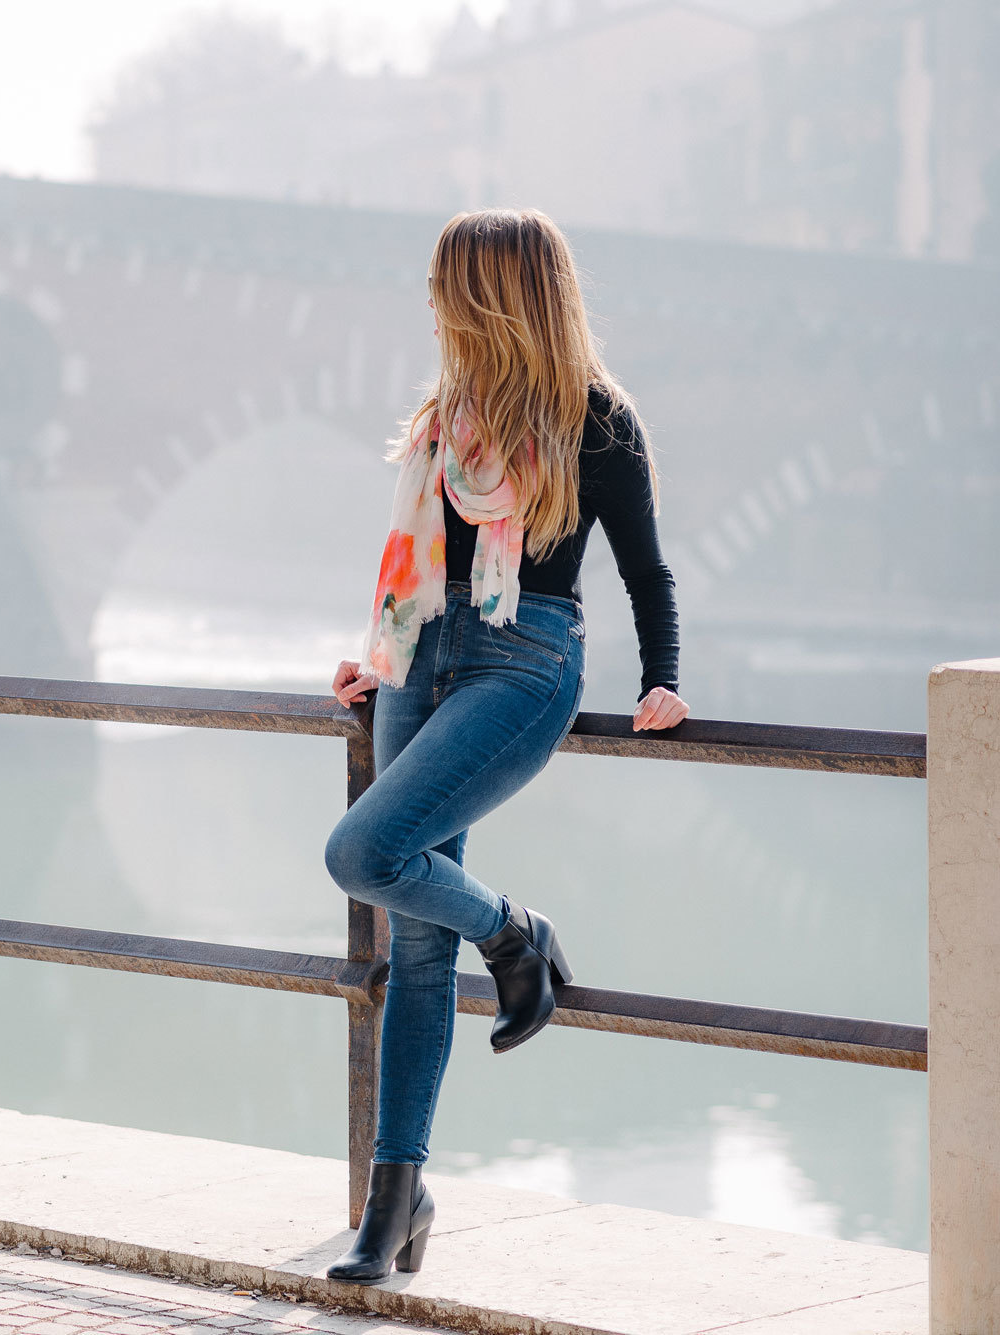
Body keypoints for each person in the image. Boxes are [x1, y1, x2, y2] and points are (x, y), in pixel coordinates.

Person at [321, 208, 689, 1284]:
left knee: (364, 855)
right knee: (410, 944)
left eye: (448, 286)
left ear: (492, 293)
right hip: (424, 654)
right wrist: (375, 660)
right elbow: (413, 559)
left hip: (523, 661)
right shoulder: (450, 416)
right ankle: (393, 1204)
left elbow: (645, 574)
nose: (433, 306)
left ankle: (515, 932)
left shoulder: (596, 419)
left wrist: (660, 681)